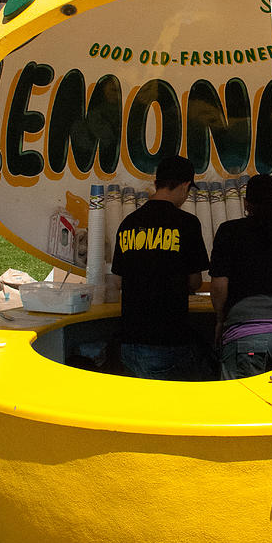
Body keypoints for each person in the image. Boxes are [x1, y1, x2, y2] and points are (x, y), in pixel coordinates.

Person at [111, 155, 209, 380]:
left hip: (129, 341)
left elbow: (118, 280)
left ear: (156, 183)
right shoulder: (187, 223)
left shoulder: (128, 223)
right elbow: (195, 281)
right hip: (168, 341)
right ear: (185, 185)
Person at [209, 173, 272, 380]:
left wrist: (221, 320)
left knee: (243, 399)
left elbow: (219, 284)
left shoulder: (229, 232)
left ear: (246, 203)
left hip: (245, 336)